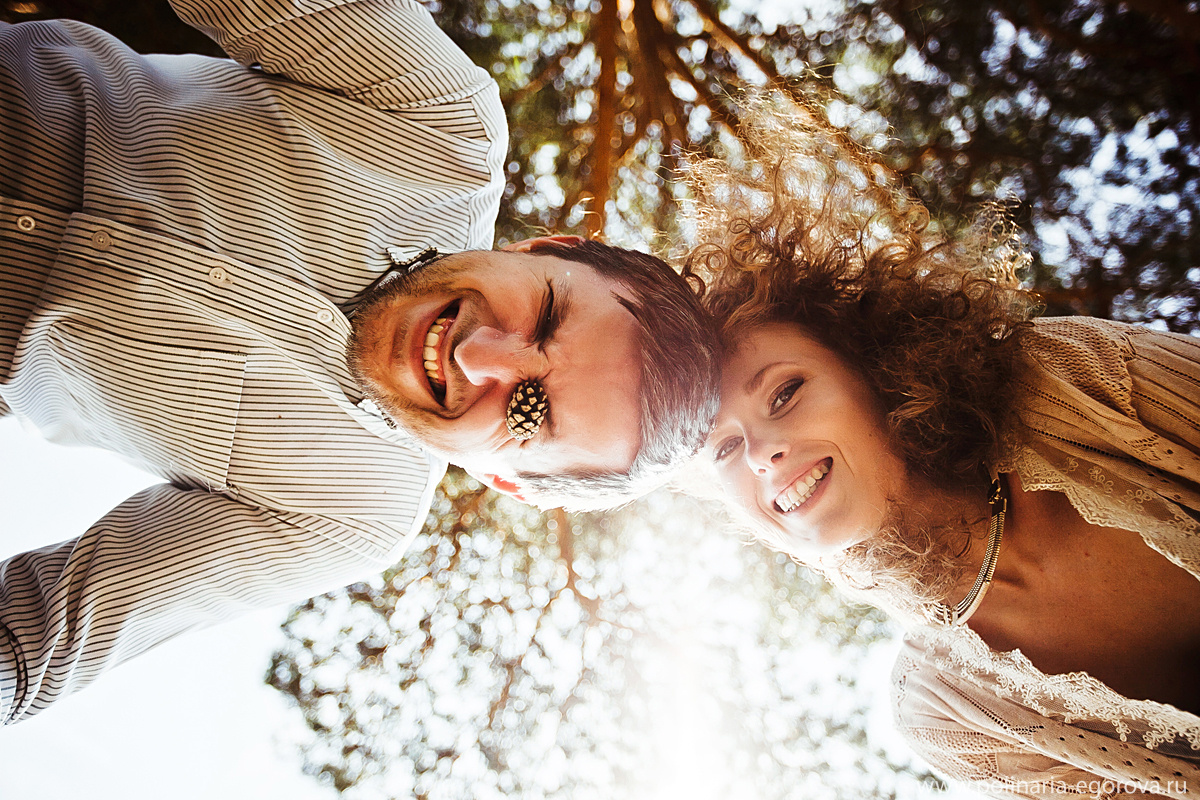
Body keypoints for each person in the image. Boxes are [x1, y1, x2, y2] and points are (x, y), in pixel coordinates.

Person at [0, 0, 719, 724]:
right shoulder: (443, 119)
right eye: (545, 313)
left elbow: (38, 643)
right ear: (547, 248)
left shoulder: (351, 518)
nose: (477, 354)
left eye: (527, 410)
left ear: (508, 481)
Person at [686, 94, 1200, 798]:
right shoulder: (944, 715)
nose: (760, 454)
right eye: (722, 449)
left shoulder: (1073, 379)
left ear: (874, 370)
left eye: (784, 393)